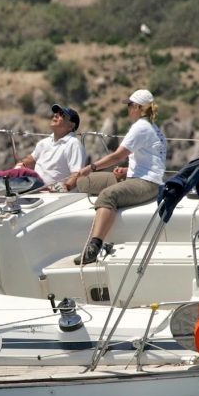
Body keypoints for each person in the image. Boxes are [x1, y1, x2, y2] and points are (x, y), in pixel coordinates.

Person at [66, 89, 167, 265]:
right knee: (84, 182)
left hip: (148, 184)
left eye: (129, 106)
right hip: (138, 178)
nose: (128, 109)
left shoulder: (141, 127)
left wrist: (91, 167)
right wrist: (128, 171)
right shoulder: (153, 128)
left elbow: (117, 156)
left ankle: (93, 247)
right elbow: (154, 162)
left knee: (107, 195)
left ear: (137, 107)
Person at [14, 103, 86, 186]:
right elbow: (32, 158)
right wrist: (21, 165)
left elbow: (77, 174)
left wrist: (65, 188)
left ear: (71, 125)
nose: (55, 115)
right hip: (35, 190)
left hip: (58, 195)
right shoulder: (43, 143)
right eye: (56, 113)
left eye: (62, 114)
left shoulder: (74, 144)